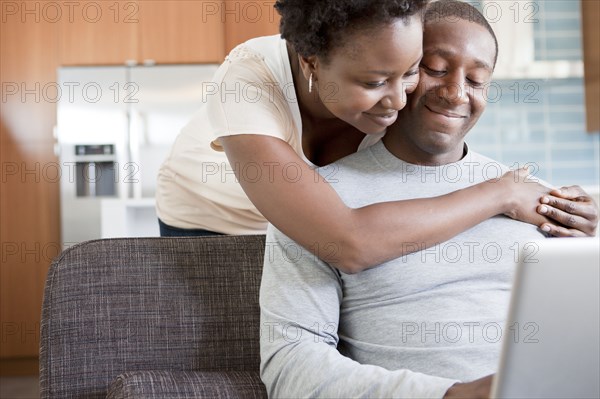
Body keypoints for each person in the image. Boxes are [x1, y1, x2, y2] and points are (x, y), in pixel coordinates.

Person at [259, 1, 597, 397]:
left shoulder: (531, 195)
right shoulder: (318, 206)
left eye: (476, 80)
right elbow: (290, 364)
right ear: (400, 68)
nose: (456, 94)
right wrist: (452, 394)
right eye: (435, 69)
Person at [156, 0, 597, 273]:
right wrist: (502, 193)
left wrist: (556, 212)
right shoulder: (250, 77)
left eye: (410, 73)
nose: (396, 102)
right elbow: (348, 242)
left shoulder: (393, 72)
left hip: (325, 233)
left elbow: (447, 174)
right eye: (373, 83)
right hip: (210, 227)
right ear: (311, 63)